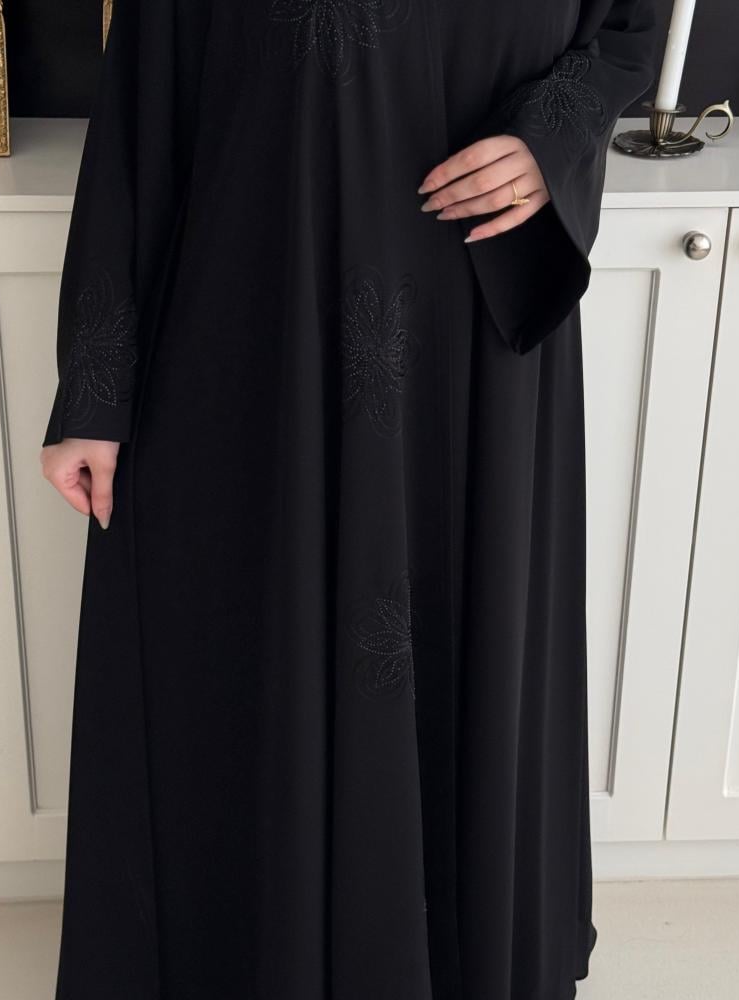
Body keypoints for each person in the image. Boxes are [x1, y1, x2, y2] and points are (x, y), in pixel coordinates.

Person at [39, 1, 657, 997]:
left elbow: (630, 30)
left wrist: (553, 133)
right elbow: (140, 112)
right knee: (247, 644)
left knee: (458, 634)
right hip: (254, 325)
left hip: (467, 337)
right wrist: (95, 390)